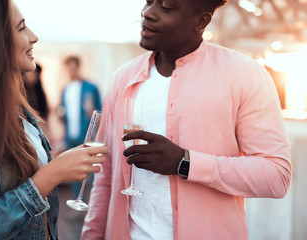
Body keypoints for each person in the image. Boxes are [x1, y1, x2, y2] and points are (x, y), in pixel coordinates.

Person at [82, 0, 292, 239]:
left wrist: (185, 163)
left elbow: (276, 176)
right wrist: (91, 235)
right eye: (149, 1)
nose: (147, 13)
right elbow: (106, 175)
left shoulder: (245, 75)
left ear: (201, 21)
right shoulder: (122, 78)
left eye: (166, 7)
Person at [0, 1, 108, 240]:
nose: (34, 37)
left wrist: (56, 162)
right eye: (21, 27)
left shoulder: (16, 111)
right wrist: (51, 174)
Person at [60, 56, 102, 199]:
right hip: (70, 136)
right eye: (69, 67)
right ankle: (78, 201)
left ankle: (93, 203)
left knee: (89, 172)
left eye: (73, 67)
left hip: (86, 136)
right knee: (73, 171)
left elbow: (100, 111)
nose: (71, 70)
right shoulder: (65, 89)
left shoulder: (91, 87)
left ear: (78, 66)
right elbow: (63, 112)